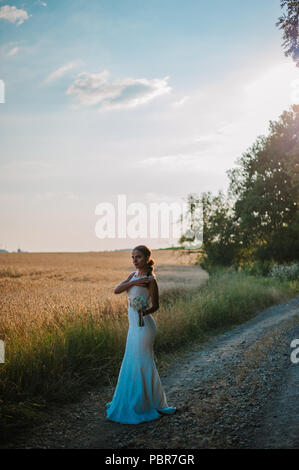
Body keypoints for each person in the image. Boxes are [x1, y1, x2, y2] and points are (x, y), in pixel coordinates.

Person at [105, 245, 176, 424]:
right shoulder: (133, 276)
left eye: (138, 257)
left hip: (145, 327)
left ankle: (147, 403)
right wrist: (133, 282)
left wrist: (143, 311)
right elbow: (117, 290)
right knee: (131, 359)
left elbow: (156, 306)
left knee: (142, 361)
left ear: (146, 258)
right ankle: (132, 400)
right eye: (132, 257)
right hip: (133, 327)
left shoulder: (151, 280)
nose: (134, 260)